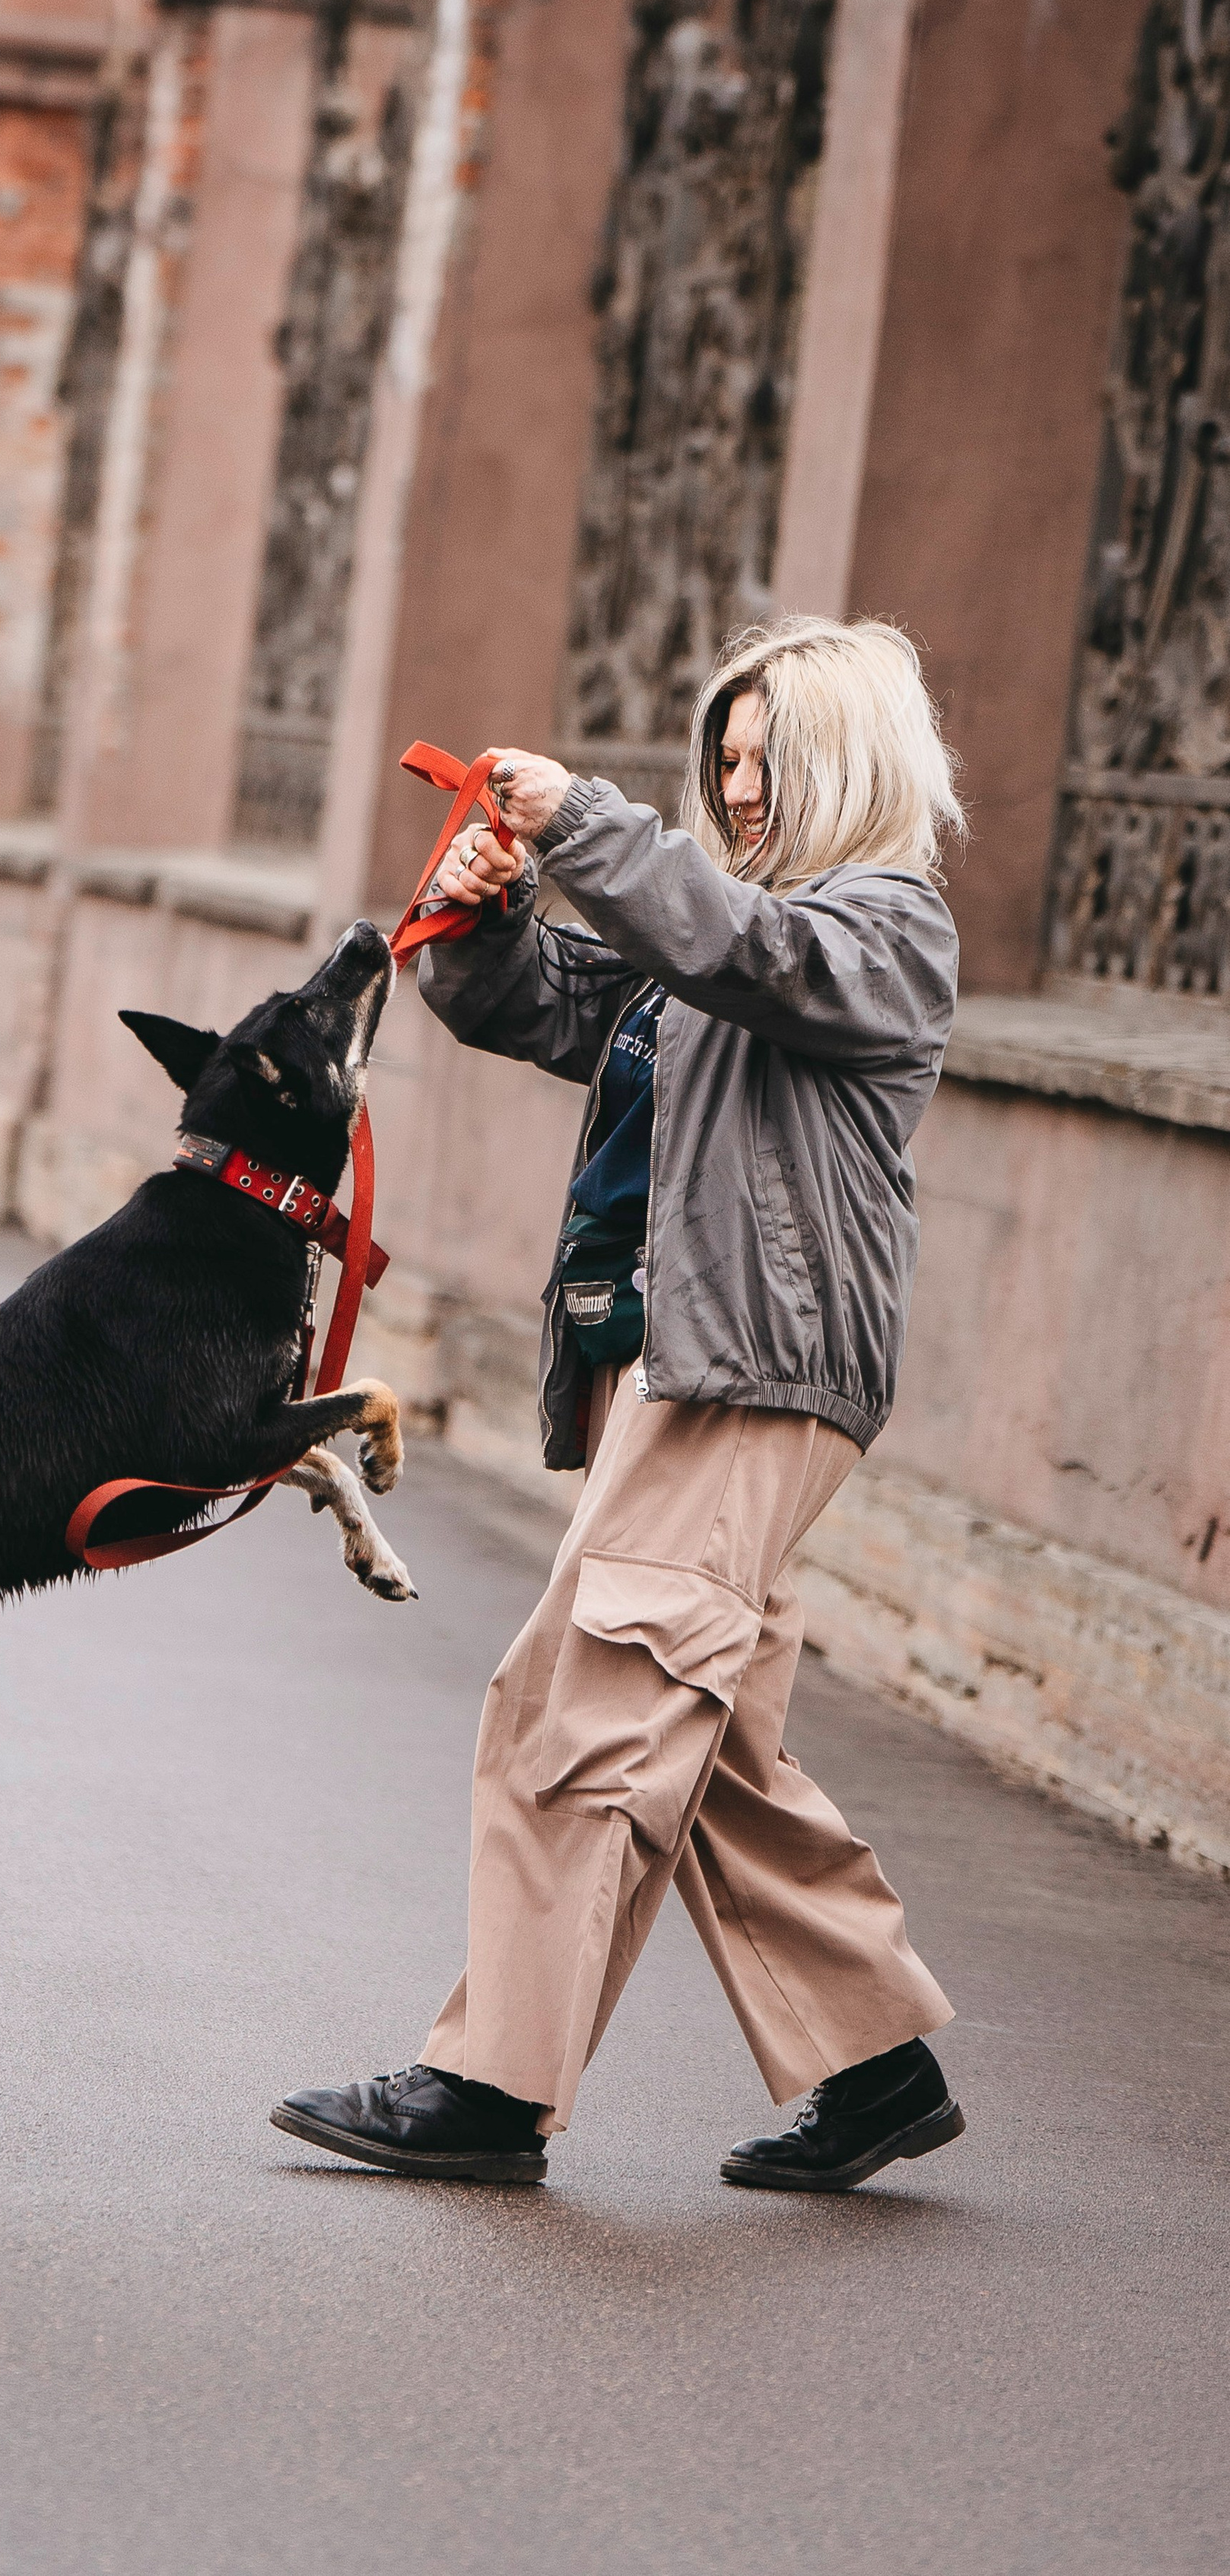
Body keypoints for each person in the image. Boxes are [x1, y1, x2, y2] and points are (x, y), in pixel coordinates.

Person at [273, 615, 968, 2193]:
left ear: (840, 760)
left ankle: (488, 2084)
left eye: (759, 761)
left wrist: (584, 822)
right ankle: (873, 2065)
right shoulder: (731, 936)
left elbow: (733, 950)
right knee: (702, 1729)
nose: (731, 790)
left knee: (575, 1704)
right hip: (685, 1364)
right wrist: (482, 924)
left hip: (749, 1375)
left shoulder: (877, 929)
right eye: (718, 762)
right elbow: (577, 1003)